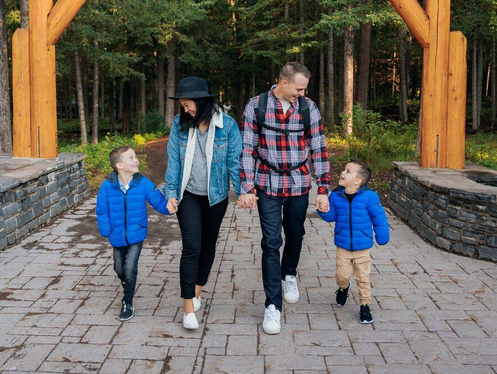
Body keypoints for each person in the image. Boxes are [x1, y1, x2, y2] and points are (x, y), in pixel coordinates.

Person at [238, 61, 330, 335]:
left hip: (300, 182)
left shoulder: (307, 108)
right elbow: (247, 149)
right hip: (267, 182)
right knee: (270, 242)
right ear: (283, 82)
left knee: (296, 234)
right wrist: (247, 186)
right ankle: (272, 306)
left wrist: (323, 188)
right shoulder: (256, 106)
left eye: (305, 89)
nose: (301, 93)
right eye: (298, 88)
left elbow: (319, 148)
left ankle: (289, 273)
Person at [164, 76, 243, 330]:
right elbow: (174, 162)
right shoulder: (179, 124)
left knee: (208, 246)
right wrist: (171, 193)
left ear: (201, 102)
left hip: (216, 197)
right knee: (191, 247)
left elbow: (234, 162)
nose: (185, 109)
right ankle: (188, 307)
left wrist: (242, 192)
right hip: (188, 195)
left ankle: (197, 290)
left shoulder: (227, 126)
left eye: (188, 104)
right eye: (183, 105)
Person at [96, 146, 170, 322]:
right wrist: (107, 230)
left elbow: (158, 201)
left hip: (136, 233)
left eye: (135, 157)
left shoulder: (143, 183)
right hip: (116, 234)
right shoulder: (107, 186)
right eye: (131, 158)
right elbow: (102, 211)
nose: (136, 160)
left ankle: (127, 301)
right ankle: (127, 283)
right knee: (119, 268)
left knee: (130, 268)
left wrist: (169, 208)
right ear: (119, 165)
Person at [316, 159, 390, 324]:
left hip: (363, 246)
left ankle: (365, 305)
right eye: (344, 169)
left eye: (348, 171)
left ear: (357, 181)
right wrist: (322, 210)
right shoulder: (336, 196)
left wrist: (382, 236)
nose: (342, 172)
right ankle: (343, 287)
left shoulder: (370, 197)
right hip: (343, 246)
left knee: (363, 278)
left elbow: (379, 217)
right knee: (341, 275)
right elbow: (331, 216)